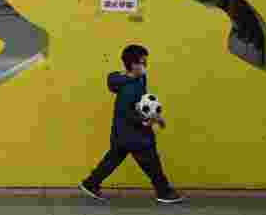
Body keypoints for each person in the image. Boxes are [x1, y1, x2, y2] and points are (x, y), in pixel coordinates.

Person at [79, 44, 186, 204]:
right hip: (133, 135)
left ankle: (90, 183)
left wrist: (155, 116)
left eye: (146, 62)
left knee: (112, 160)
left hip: (122, 133)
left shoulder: (140, 78)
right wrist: (145, 121)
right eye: (143, 62)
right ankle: (163, 191)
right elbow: (127, 112)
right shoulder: (128, 88)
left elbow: (142, 104)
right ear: (133, 64)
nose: (146, 65)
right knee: (151, 161)